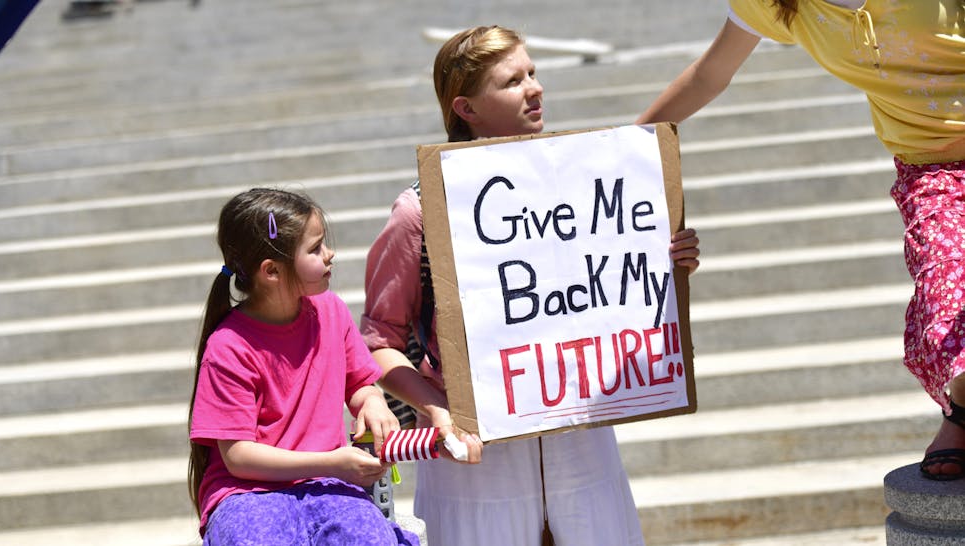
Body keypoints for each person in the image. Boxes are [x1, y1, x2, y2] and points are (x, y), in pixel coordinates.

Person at [361, 26, 701, 546]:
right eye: (512, 80)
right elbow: (378, 343)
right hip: (474, 457)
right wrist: (437, 411)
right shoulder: (419, 210)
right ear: (466, 108)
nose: (535, 88)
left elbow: (606, 288)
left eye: (533, 73)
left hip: (582, 438)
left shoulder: (583, 187)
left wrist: (664, 264)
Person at [636, 0, 965, 481]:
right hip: (931, 170)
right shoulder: (776, 5)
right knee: (944, 299)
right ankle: (961, 414)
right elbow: (709, 76)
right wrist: (624, 147)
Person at [187, 188, 419, 545]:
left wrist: (373, 402)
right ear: (271, 271)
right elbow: (238, 457)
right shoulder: (228, 346)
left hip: (329, 484)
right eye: (315, 248)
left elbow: (360, 384)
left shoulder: (332, 311)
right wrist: (331, 463)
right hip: (248, 494)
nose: (330, 254)